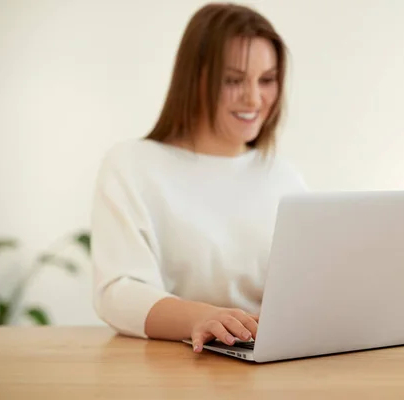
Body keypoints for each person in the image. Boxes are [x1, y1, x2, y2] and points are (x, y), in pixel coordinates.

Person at [90, 3, 307, 353]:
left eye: (267, 80)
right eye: (234, 80)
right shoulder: (132, 165)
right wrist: (200, 318)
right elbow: (117, 292)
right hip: (169, 365)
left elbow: (303, 290)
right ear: (195, 79)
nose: (254, 98)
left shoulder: (285, 178)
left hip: (264, 365)